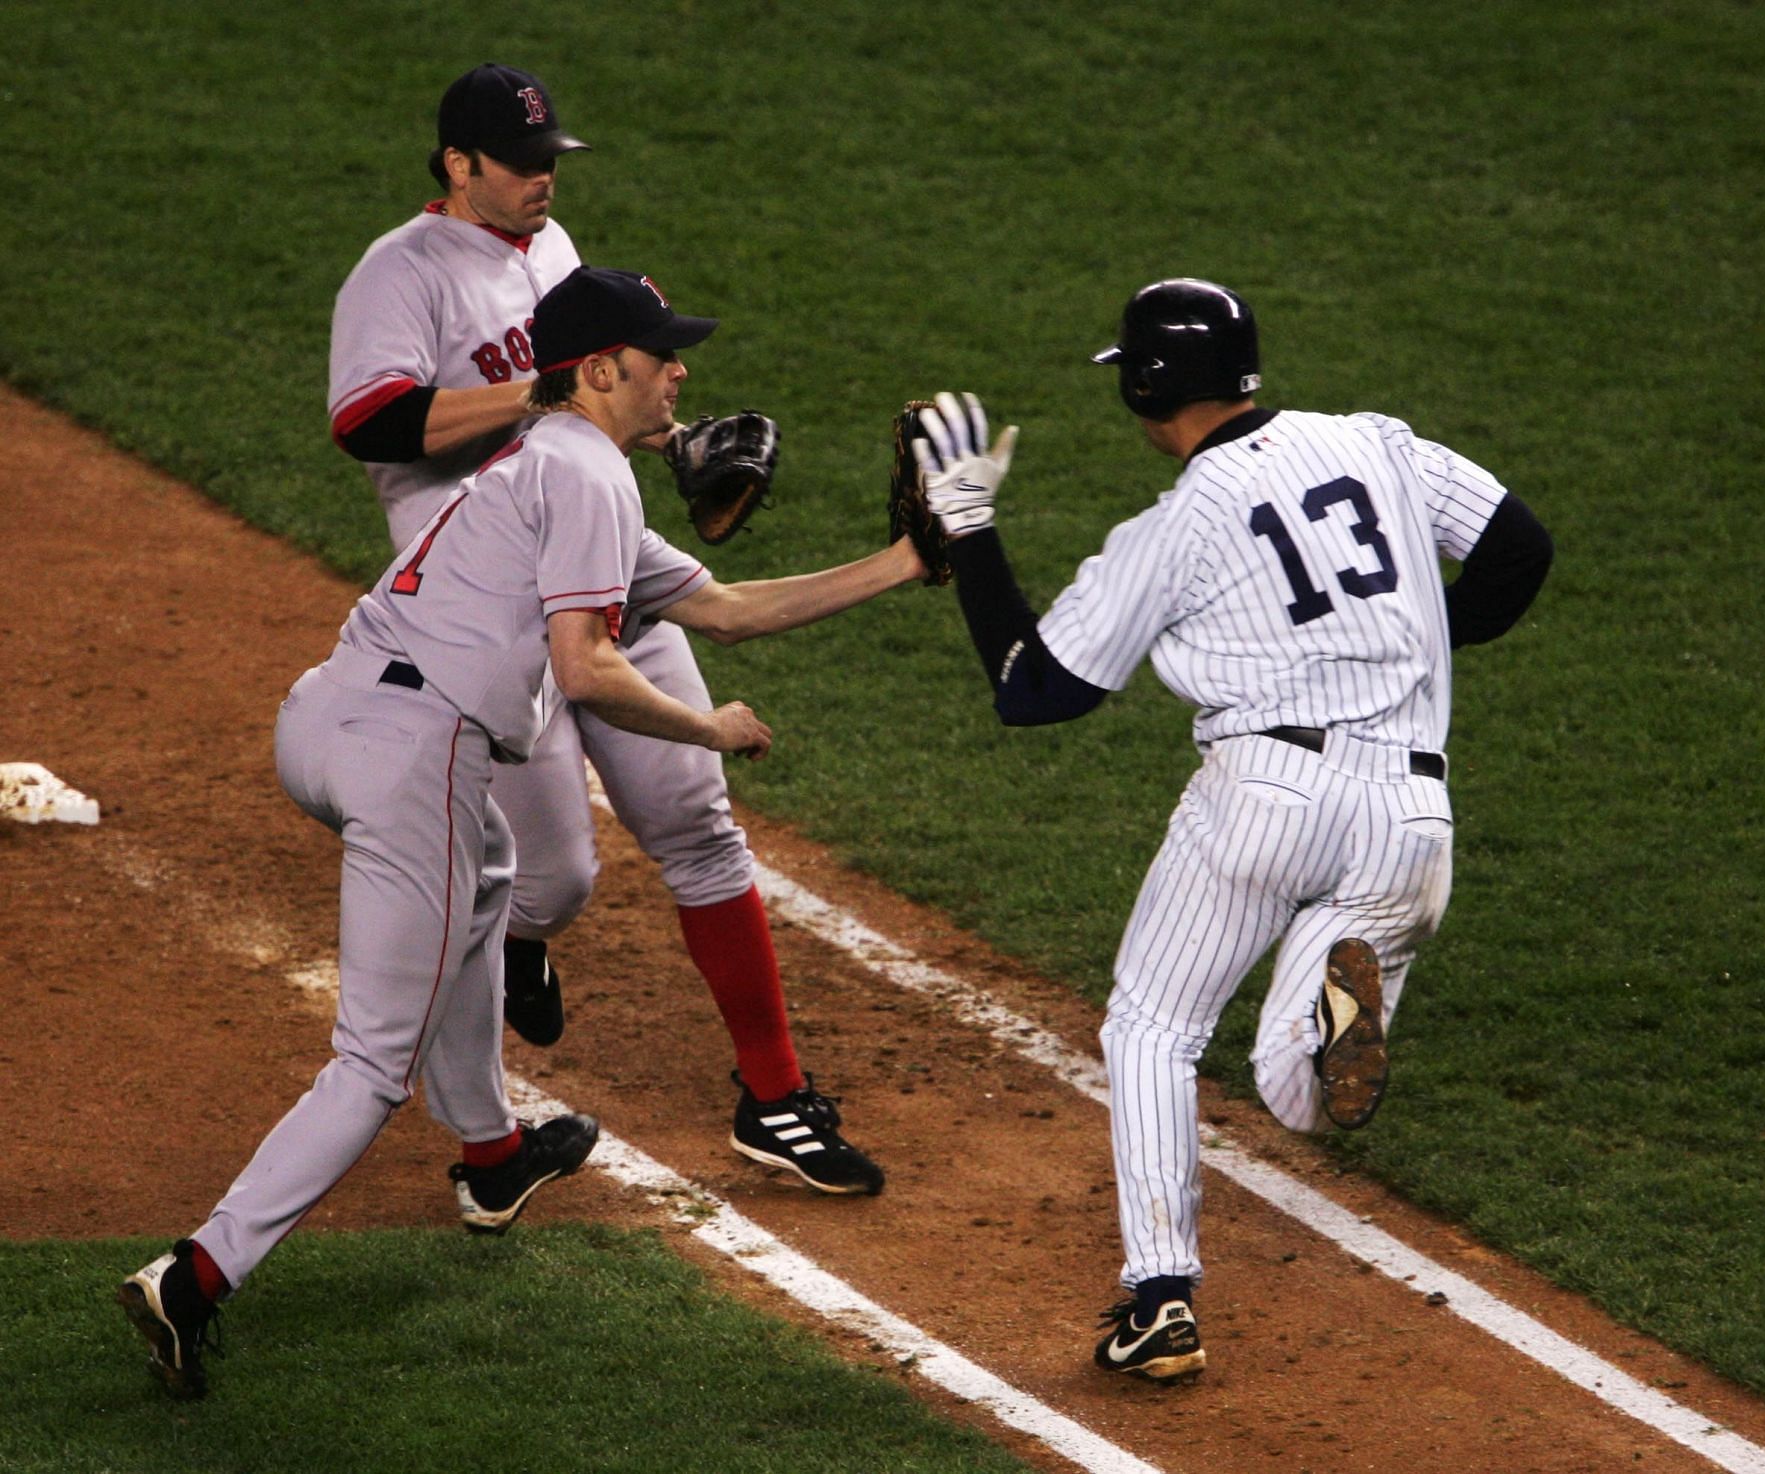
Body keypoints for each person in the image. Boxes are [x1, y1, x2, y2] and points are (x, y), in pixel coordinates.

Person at [121, 266, 930, 1400]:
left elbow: (728, 608)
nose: (680, 372)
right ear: (601, 370)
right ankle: (194, 1276)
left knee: (490, 883)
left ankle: (495, 1158)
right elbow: (587, 665)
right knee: (369, 1063)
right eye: (660, 355)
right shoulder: (590, 474)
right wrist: (707, 726)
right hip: (417, 755)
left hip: (326, 719)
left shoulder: (550, 460)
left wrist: (905, 564)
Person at [911, 279, 1553, 1381]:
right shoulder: (1375, 441)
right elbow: (1519, 552)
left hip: (1267, 794)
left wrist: (968, 527)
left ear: (1148, 392)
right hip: (1412, 813)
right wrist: (1405, 643)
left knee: (1153, 1025)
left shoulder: (1178, 524)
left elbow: (1036, 692)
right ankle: (1329, 1025)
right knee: (1292, 1088)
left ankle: (1160, 1296)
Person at [327, 62, 886, 1197]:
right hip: (489, 608)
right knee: (555, 878)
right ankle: (518, 958)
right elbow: (370, 420)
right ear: (458, 165)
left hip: (603, 557)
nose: (541, 179)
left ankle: (774, 1097)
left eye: (549, 161)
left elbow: (593, 392)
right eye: (520, 164)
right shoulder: (399, 272)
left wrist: (674, 448)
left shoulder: (553, 244)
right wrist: (533, 396)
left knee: (695, 819)